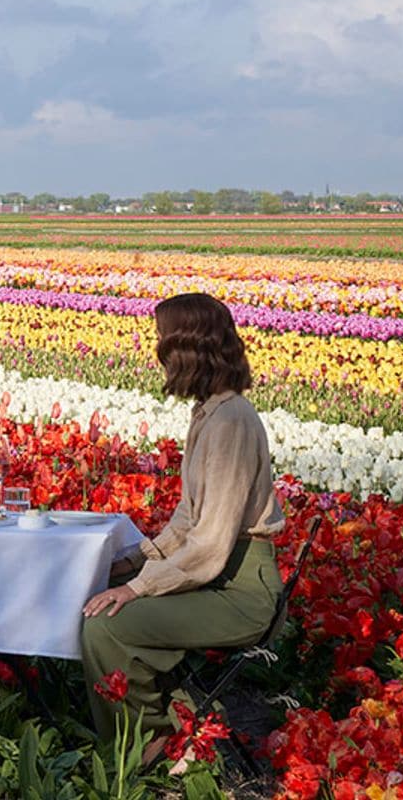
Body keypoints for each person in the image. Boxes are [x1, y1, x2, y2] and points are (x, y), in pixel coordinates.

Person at [80, 292, 287, 763]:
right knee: (98, 600)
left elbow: (211, 542)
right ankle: (163, 724)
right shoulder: (211, 412)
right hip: (218, 579)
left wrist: (139, 589)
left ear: (186, 349)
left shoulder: (231, 421)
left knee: (106, 626)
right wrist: (137, 562)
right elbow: (189, 519)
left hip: (241, 595)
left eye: (161, 341)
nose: (156, 352)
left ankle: (147, 740)